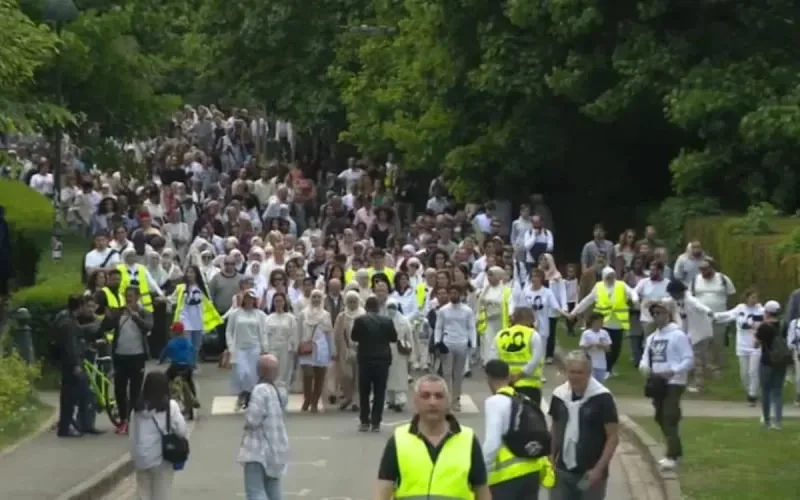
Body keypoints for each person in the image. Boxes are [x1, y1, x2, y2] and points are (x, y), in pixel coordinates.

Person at [374, 374, 491, 500]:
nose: (432, 402)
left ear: (448, 402)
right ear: (415, 402)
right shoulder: (398, 439)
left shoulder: (468, 439)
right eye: (425, 396)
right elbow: (383, 490)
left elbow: (482, 491)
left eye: (439, 396)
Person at [549, 350, 619, 499]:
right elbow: (555, 428)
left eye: (579, 372)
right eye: (571, 372)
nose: (575, 377)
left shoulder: (602, 398)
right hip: (562, 471)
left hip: (591, 473)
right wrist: (550, 459)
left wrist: (598, 470)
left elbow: (613, 437)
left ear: (589, 372)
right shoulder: (559, 395)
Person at [483, 360, 554, 499]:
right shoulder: (524, 399)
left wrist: (481, 475)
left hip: (507, 477)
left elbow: (492, 444)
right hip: (532, 473)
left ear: (489, 378)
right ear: (509, 376)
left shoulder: (495, 402)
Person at [638, 299, 694, 471]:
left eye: (660, 313)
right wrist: (645, 368)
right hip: (657, 382)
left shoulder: (678, 335)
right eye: (654, 314)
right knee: (660, 416)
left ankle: (672, 455)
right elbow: (645, 358)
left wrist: (673, 370)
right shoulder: (652, 337)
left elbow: (688, 359)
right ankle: (675, 449)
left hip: (674, 382)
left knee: (669, 416)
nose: (656, 316)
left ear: (668, 314)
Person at [100, 286, 154, 434]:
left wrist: (135, 316)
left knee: (135, 390)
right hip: (120, 356)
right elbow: (105, 327)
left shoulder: (145, 313)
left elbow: (148, 328)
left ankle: (133, 420)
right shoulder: (119, 314)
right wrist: (108, 317)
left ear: (137, 297)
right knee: (119, 389)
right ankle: (123, 420)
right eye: (126, 296)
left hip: (137, 356)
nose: (128, 299)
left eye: (131, 296)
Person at [237, 354, 290, 500]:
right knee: (273, 489)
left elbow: (253, 419)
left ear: (258, 371)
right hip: (277, 447)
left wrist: (246, 410)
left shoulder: (260, 390)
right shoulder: (281, 390)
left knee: (255, 490)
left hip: (258, 449)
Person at [130, 371, 188, 500]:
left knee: (143, 494)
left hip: (141, 458)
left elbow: (132, 435)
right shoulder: (170, 406)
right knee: (161, 494)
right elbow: (182, 430)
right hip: (162, 458)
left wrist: (135, 456)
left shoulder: (137, 409)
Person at [56, 295, 102, 437]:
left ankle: (82, 425)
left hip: (70, 363)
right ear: (80, 306)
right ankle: (67, 427)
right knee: (71, 397)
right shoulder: (68, 323)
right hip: (72, 365)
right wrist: (76, 364)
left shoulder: (68, 320)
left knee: (83, 394)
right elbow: (71, 346)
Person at [351, 296, 397, 431]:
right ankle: (376, 422)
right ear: (378, 308)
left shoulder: (360, 320)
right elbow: (394, 338)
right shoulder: (387, 321)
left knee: (364, 391)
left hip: (365, 359)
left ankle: (364, 421)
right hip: (382, 359)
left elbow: (354, 337)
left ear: (365, 307)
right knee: (380, 391)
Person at [487, 307, 544, 405]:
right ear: (531, 320)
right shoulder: (533, 335)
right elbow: (535, 360)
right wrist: (519, 374)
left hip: (504, 386)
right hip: (529, 386)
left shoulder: (500, 335)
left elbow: (492, 361)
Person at [434, 284, 478, 411]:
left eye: (456, 293)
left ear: (461, 294)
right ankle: (447, 400)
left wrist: (473, 344)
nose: (453, 295)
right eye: (451, 293)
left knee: (458, 374)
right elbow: (439, 327)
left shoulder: (467, 310)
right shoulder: (443, 310)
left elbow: (471, 327)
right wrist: (438, 342)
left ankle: (456, 399)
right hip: (447, 344)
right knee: (447, 374)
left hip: (462, 344)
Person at [754, 300, 787, 429]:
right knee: (778, 392)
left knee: (766, 391)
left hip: (767, 361)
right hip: (781, 361)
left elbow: (755, 344)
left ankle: (767, 420)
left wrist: (757, 330)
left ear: (767, 312)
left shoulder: (764, 327)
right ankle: (778, 422)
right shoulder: (784, 324)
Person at [160, 321, 199, 408]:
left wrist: (160, 361)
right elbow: (192, 351)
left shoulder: (171, 342)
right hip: (187, 367)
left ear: (175, 332)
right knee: (189, 381)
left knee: (165, 379)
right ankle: (194, 397)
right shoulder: (188, 342)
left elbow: (164, 353)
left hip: (175, 367)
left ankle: (164, 397)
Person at [579, 312, 612, 381]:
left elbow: (608, 349)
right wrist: (590, 346)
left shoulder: (604, 333)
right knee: (591, 383)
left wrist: (602, 346)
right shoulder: (586, 333)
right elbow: (582, 347)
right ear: (593, 322)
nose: (602, 323)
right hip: (590, 364)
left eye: (602, 321)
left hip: (602, 364)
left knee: (600, 385)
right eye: (600, 321)